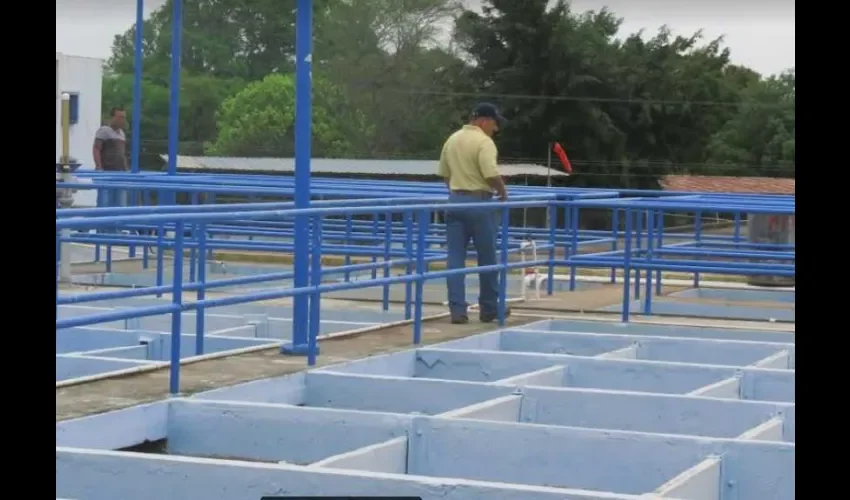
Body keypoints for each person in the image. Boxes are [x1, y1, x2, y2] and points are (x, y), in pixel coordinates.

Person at [437, 103, 511, 324]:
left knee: (455, 258)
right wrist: (503, 190)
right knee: (487, 258)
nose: (495, 129)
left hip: (455, 201)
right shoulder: (484, 142)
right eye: (494, 124)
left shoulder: (452, 139)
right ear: (483, 121)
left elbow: (445, 175)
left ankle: (457, 310)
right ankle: (489, 308)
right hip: (480, 203)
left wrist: (457, 193)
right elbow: (490, 173)